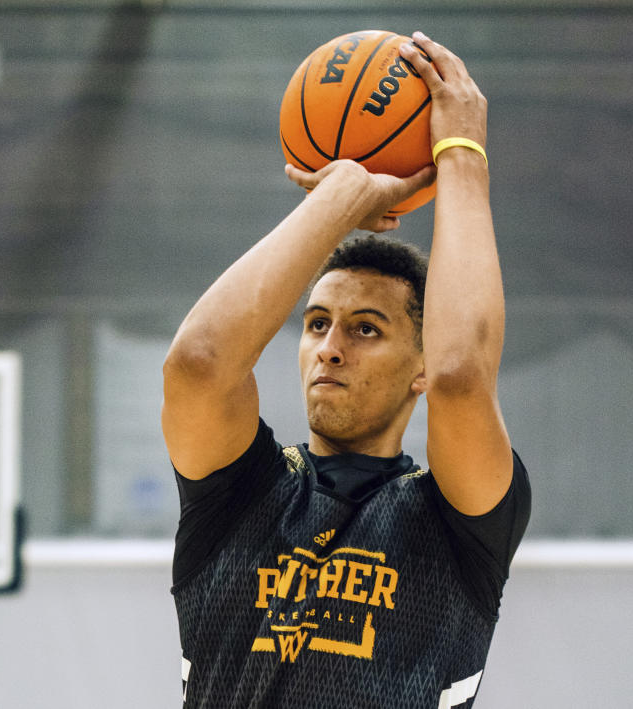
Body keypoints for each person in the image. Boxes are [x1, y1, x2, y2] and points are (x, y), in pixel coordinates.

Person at [161, 32, 531, 708]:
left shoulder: (457, 521)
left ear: (416, 367)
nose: (330, 347)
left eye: (366, 329)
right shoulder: (238, 496)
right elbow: (198, 363)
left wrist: (462, 157)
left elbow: (461, 376)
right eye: (316, 323)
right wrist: (342, 195)